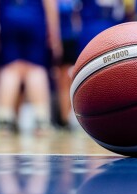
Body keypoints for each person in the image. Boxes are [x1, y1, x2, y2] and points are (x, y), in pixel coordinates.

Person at [0, 0, 62, 135]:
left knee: (10, 69)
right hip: (33, 18)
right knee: (35, 69)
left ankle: (5, 120)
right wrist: (55, 35)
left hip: (9, 19)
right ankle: (41, 120)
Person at [55, 0, 80, 131]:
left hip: (75, 37)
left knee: (71, 78)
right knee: (63, 79)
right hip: (63, 37)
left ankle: (72, 117)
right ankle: (65, 119)